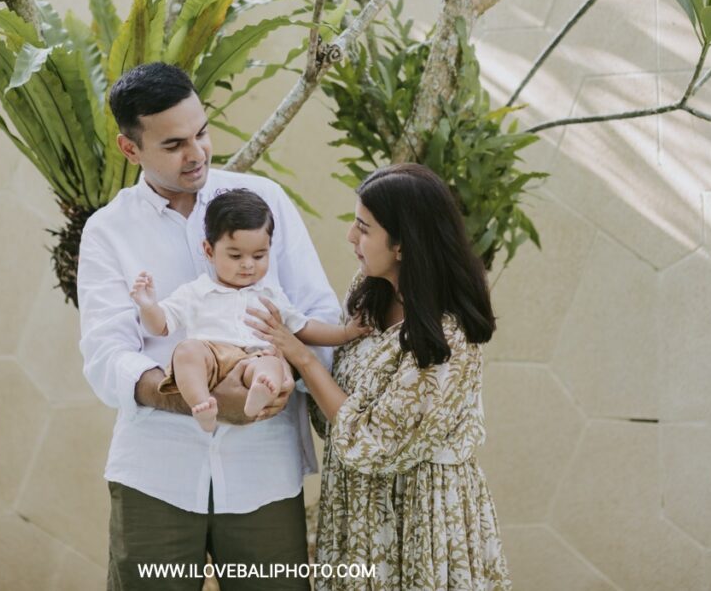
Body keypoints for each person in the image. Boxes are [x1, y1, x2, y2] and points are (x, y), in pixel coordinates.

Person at [77, 62, 340, 590]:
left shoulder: (265, 202)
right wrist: (191, 396)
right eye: (174, 144)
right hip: (156, 475)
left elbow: (318, 312)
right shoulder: (107, 231)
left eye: (201, 132)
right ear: (130, 149)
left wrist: (282, 376)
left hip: (264, 471)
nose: (196, 153)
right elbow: (107, 355)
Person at [247, 163, 513, 590]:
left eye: (363, 227)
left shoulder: (448, 335)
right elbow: (332, 417)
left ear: (403, 244)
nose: (350, 236)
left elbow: (374, 443)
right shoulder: (370, 293)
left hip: (420, 522)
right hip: (355, 515)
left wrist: (301, 356)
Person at [131, 188, 368, 432]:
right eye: (235, 256)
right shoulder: (197, 291)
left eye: (259, 255)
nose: (247, 265)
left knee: (271, 363)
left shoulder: (270, 295)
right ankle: (202, 404)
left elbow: (304, 328)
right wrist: (149, 306)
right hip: (212, 357)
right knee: (186, 351)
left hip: (254, 357)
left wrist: (345, 333)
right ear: (209, 251)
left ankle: (260, 390)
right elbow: (160, 326)